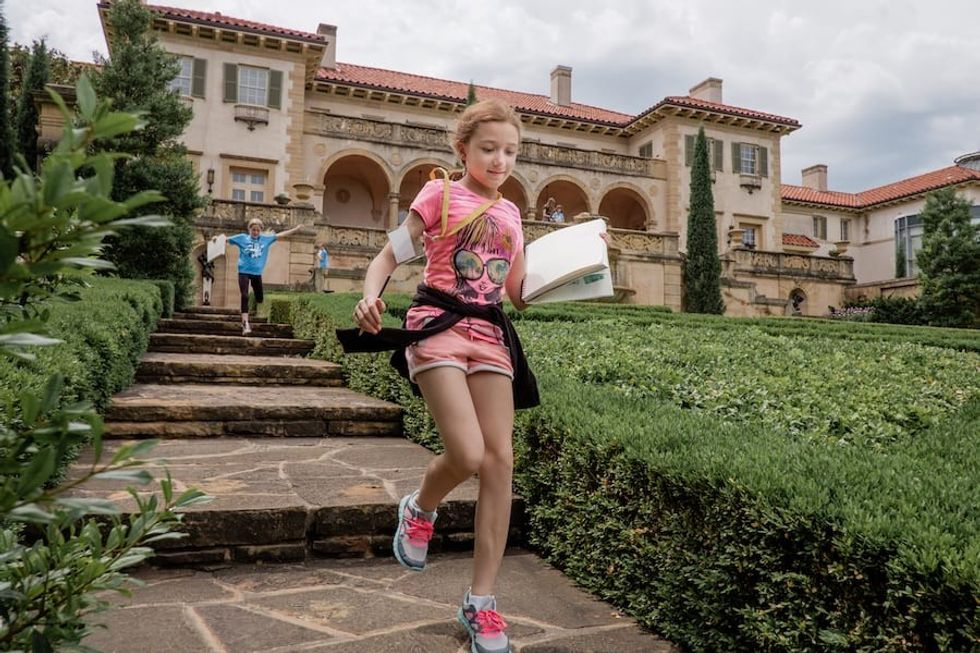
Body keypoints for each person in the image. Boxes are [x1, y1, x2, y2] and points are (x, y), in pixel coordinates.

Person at [348, 99, 535, 653]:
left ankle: (481, 602)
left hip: (491, 334)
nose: (500, 161)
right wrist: (370, 297)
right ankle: (420, 507)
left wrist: (583, 266)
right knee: (468, 453)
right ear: (462, 149)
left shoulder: (512, 215)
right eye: (489, 149)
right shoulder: (440, 194)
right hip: (437, 325)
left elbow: (520, 294)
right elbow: (387, 259)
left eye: (510, 151)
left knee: (500, 462)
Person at [228, 218, 305, 334]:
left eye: (257, 230)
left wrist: (296, 229)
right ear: (249, 229)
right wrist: (216, 239)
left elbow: (281, 235)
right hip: (243, 271)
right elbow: (226, 239)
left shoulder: (265, 239)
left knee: (260, 297)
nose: (255, 232)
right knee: (244, 295)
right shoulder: (242, 238)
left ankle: (256, 300)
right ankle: (245, 323)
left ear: (261, 230)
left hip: (257, 273)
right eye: (253, 230)